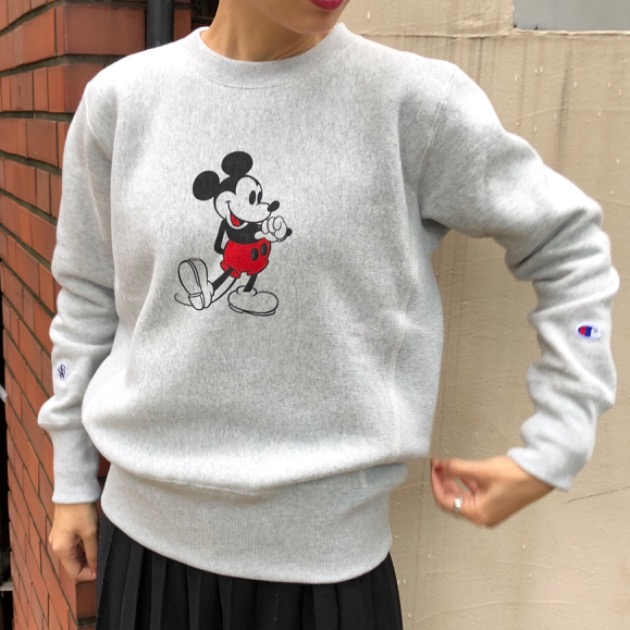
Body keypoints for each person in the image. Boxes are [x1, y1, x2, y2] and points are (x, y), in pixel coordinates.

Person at [38, 0, 618, 627]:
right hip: (144, 559)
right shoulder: (122, 101)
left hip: (328, 580)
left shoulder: (413, 104)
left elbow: (570, 247)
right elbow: (87, 297)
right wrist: (71, 474)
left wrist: (559, 439)